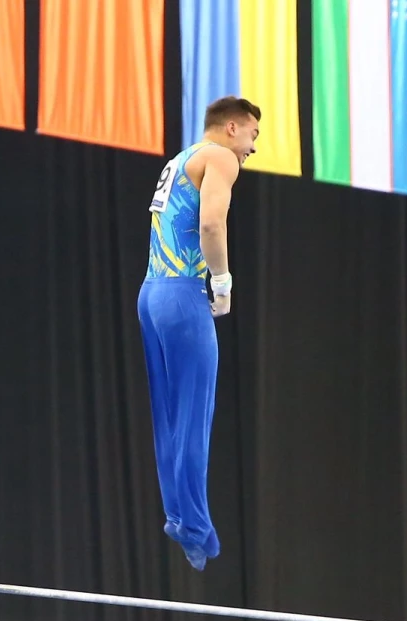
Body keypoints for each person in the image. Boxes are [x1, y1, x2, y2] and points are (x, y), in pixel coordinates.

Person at [137, 96, 261, 571]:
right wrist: (223, 283)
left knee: (168, 415)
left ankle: (179, 514)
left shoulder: (181, 158)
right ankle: (192, 524)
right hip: (183, 297)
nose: (252, 148)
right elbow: (211, 223)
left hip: (150, 295)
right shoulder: (221, 157)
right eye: (252, 135)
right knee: (193, 414)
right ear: (232, 127)